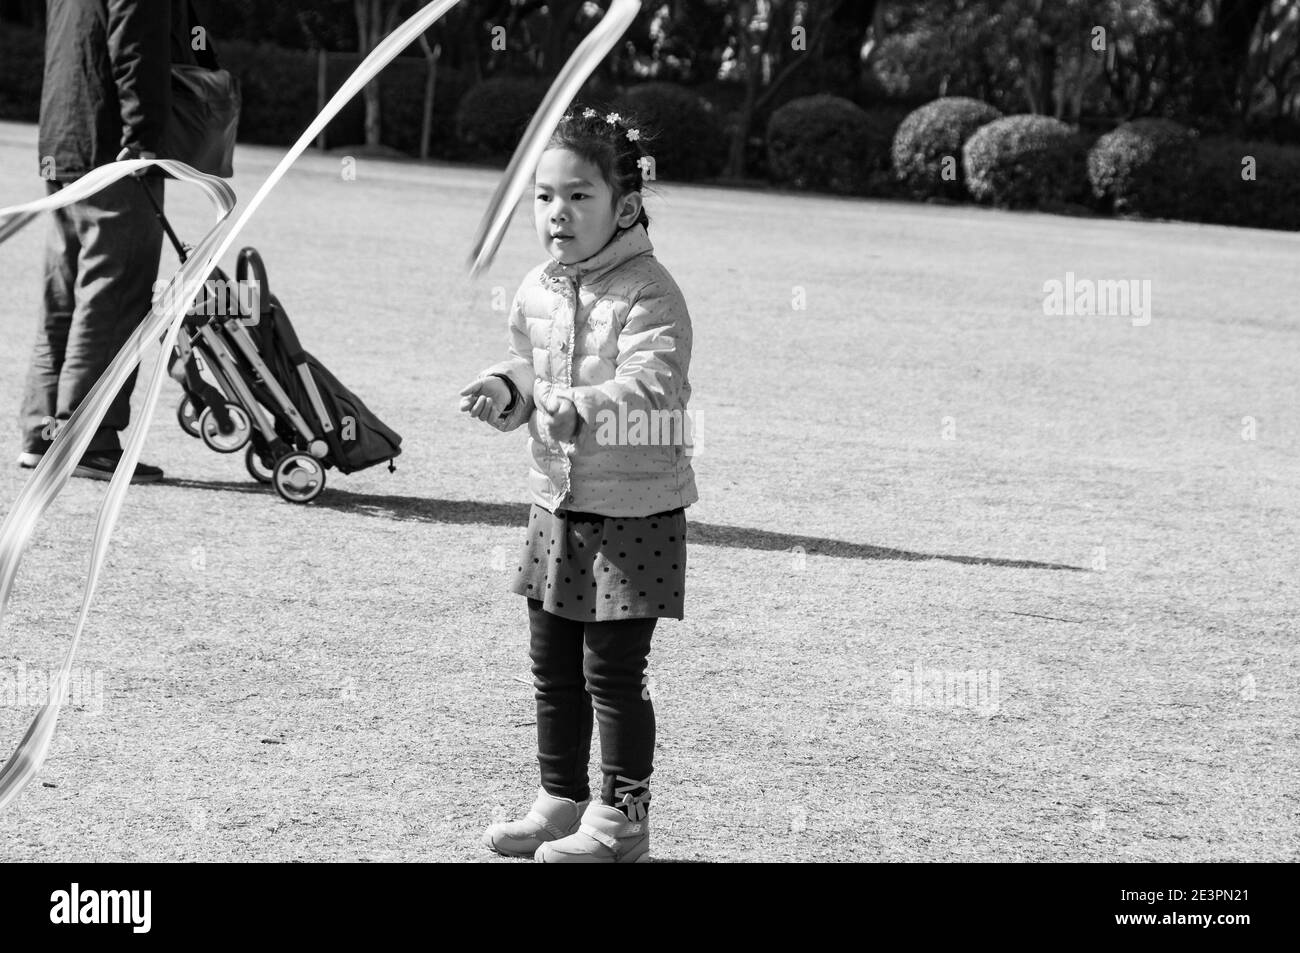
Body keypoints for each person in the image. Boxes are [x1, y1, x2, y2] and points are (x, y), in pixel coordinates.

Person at [460, 106, 697, 863]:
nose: (557, 213)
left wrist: (582, 406)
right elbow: (530, 366)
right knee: (552, 663)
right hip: (556, 503)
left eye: (578, 196)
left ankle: (623, 820)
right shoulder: (537, 286)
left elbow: (653, 387)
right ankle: (560, 800)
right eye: (544, 197)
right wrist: (508, 390)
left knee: (612, 670)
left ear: (624, 206)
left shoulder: (650, 292)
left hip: (634, 511)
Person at [17, 0, 199, 483]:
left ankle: (43, 432)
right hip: (112, 144)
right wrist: (144, 137)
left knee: (64, 293)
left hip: (64, 136)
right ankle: (87, 440)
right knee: (113, 292)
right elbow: (136, 48)